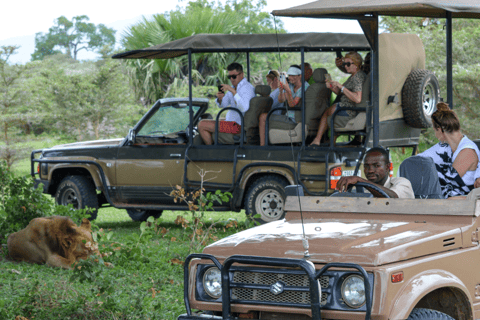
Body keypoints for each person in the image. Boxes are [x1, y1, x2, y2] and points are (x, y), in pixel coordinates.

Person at [417, 102, 480, 198]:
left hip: (465, 203)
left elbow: (448, 183)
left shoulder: (467, 152)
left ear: (440, 129)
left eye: (434, 130)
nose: (435, 135)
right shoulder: (450, 148)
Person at [309, 52, 367, 146]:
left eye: (348, 64)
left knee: (327, 113)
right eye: (345, 64)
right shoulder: (353, 76)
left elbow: (357, 99)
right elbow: (339, 92)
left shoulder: (358, 78)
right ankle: (326, 141)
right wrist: (332, 86)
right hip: (346, 106)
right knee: (328, 112)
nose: (346, 67)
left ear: (356, 64)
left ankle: (318, 140)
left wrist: (341, 87)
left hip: (350, 109)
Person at [198, 62, 255, 145]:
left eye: (234, 76)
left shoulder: (247, 88)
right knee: (212, 121)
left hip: (238, 125)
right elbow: (223, 105)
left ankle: (210, 152)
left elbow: (244, 108)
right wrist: (220, 99)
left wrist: (233, 91)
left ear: (241, 74)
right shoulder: (234, 87)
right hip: (232, 122)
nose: (232, 79)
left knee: (201, 124)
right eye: (229, 77)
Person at [258, 65, 310, 146]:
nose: (290, 78)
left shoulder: (304, 86)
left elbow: (292, 104)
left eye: (293, 76)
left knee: (263, 117)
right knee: (263, 115)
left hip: (294, 120)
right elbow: (281, 100)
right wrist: (281, 90)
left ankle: (263, 147)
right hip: (287, 116)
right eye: (289, 75)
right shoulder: (291, 85)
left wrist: (288, 90)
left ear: (300, 76)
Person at [336, 147, 414, 198]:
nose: (370, 170)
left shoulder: (402, 183)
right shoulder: (365, 192)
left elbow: (393, 197)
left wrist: (361, 180)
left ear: (387, 167)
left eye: (376, 166)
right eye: (366, 166)